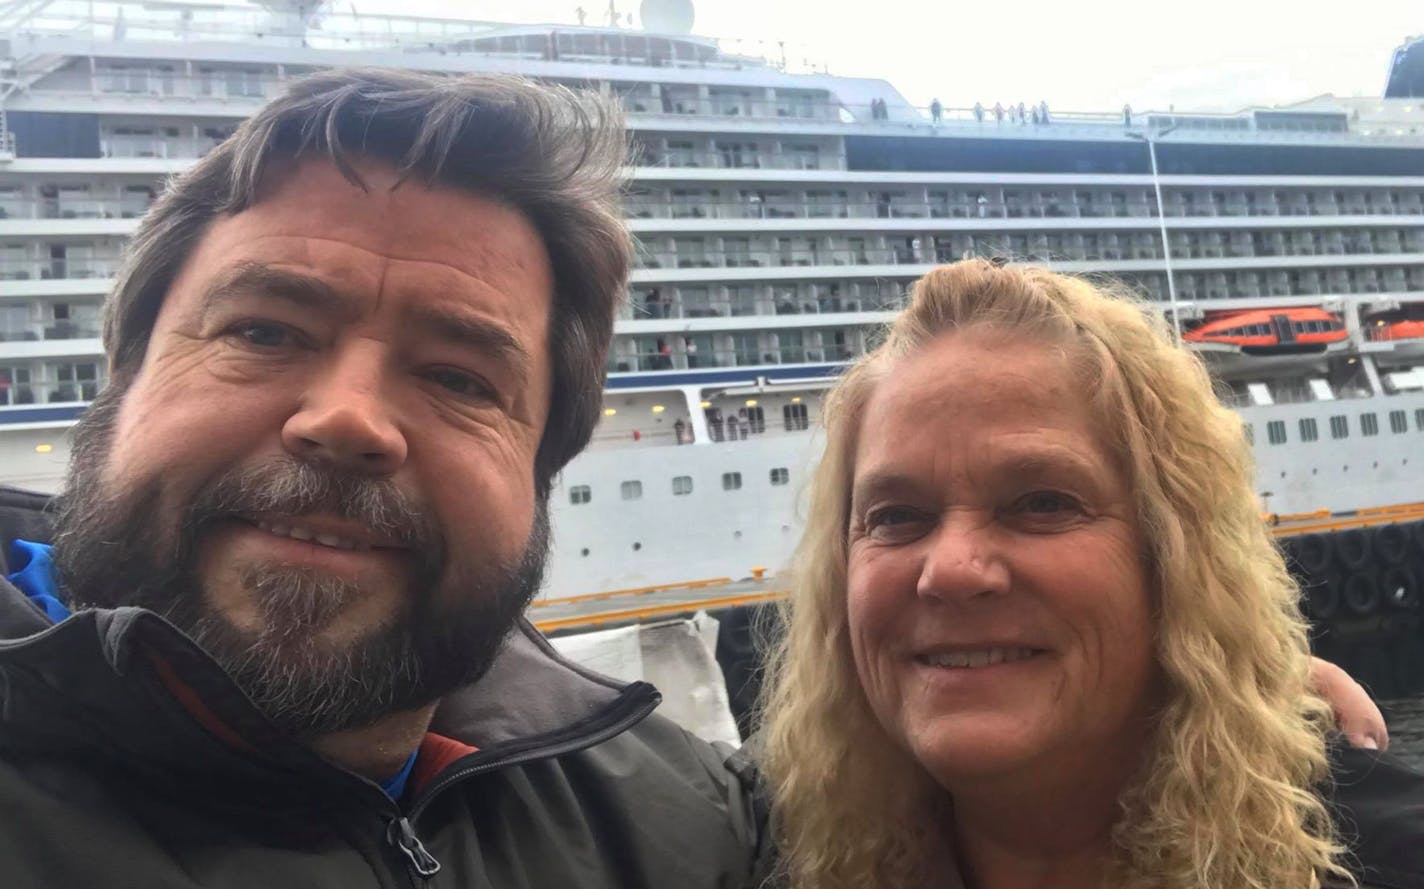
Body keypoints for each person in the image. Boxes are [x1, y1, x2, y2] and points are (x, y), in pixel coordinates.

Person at [0, 69, 771, 888]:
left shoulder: (693, 830)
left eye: (460, 379)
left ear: (540, 473)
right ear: (121, 380)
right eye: (263, 331)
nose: (349, 419)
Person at [760, 260, 1422, 889]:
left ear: (1175, 558)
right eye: (897, 515)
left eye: (1043, 502)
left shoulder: (1382, 859)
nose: (952, 570)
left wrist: (1254, 676)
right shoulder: (769, 853)